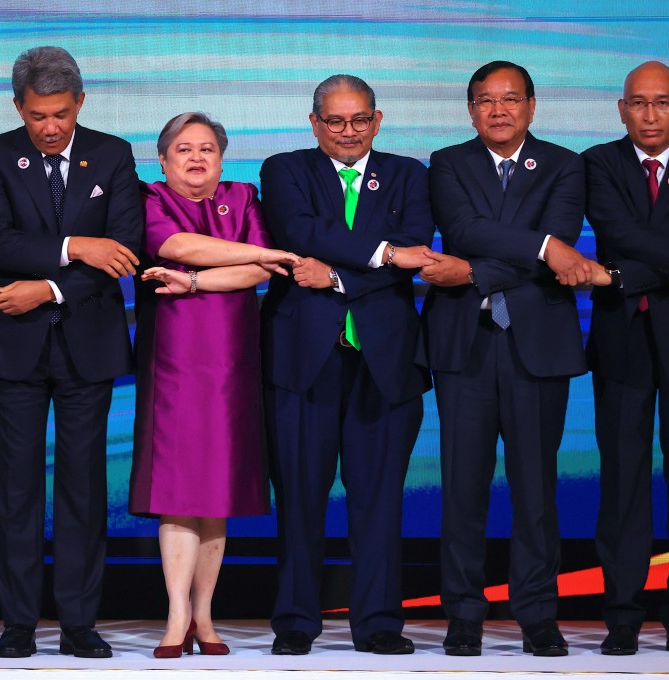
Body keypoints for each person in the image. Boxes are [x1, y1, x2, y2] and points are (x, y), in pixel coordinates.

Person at [0, 46, 142, 659]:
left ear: (80, 103)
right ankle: (18, 623)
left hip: (87, 345)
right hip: (13, 346)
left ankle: (78, 623)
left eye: (61, 114)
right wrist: (75, 246)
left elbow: (121, 251)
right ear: (18, 107)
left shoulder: (115, 154)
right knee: (14, 489)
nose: (50, 127)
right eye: (38, 115)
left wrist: (47, 285)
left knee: (82, 487)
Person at [420, 60, 593, 657]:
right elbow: (463, 227)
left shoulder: (567, 166)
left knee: (536, 488)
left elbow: (555, 239)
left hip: (535, 344)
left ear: (532, 106)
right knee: (462, 488)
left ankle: (538, 615)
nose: (499, 110)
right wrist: (543, 246)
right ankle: (464, 614)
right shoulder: (447, 163)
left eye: (510, 99)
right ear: (470, 110)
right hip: (464, 345)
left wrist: (475, 270)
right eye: (486, 101)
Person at [260, 74, 434, 656]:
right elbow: (301, 231)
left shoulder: (410, 174)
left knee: (380, 498)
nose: (348, 132)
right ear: (314, 123)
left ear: (377, 121)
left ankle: (380, 621)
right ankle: (295, 620)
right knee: (300, 494)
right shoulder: (285, 170)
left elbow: (414, 245)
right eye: (335, 121)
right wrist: (384, 256)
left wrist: (336, 275)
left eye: (360, 120)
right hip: (304, 359)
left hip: (385, 359)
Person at [129, 112, 299, 658]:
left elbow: (260, 273)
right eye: (183, 149)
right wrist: (255, 253)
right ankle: (177, 614)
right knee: (179, 491)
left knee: (217, 491)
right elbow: (178, 246)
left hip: (232, 361)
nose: (196, 157)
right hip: (175, 358)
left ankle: (206, 615)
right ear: (163, 160)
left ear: (222, 158)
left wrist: (200, 281)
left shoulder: (243, 195)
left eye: (206, 148)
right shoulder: (150, 198)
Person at [584, 61, 669, 656]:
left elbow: (635, 252)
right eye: (638, 102)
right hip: (622, 344)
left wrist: (614, 277)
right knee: (623, 487)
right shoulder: (599, 164)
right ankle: (623, 617)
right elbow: (620, 230)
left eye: (663, 103)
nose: (650, 114)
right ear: (621, 108)